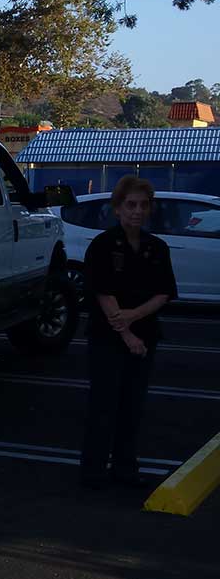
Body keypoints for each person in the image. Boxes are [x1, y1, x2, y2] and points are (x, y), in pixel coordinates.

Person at [80, 175, 177, 490]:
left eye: (143, 205)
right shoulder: (103, 245)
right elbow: (103, 293)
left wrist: (134, 319)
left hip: (144, 337)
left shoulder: (156, 247)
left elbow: (164, 293)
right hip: (109, 339)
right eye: (131, 205)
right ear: (117, 209)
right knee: (104, 406)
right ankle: (93, 472)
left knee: (132, 407)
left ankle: (125, 468)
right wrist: (127, 334)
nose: (137, 211)